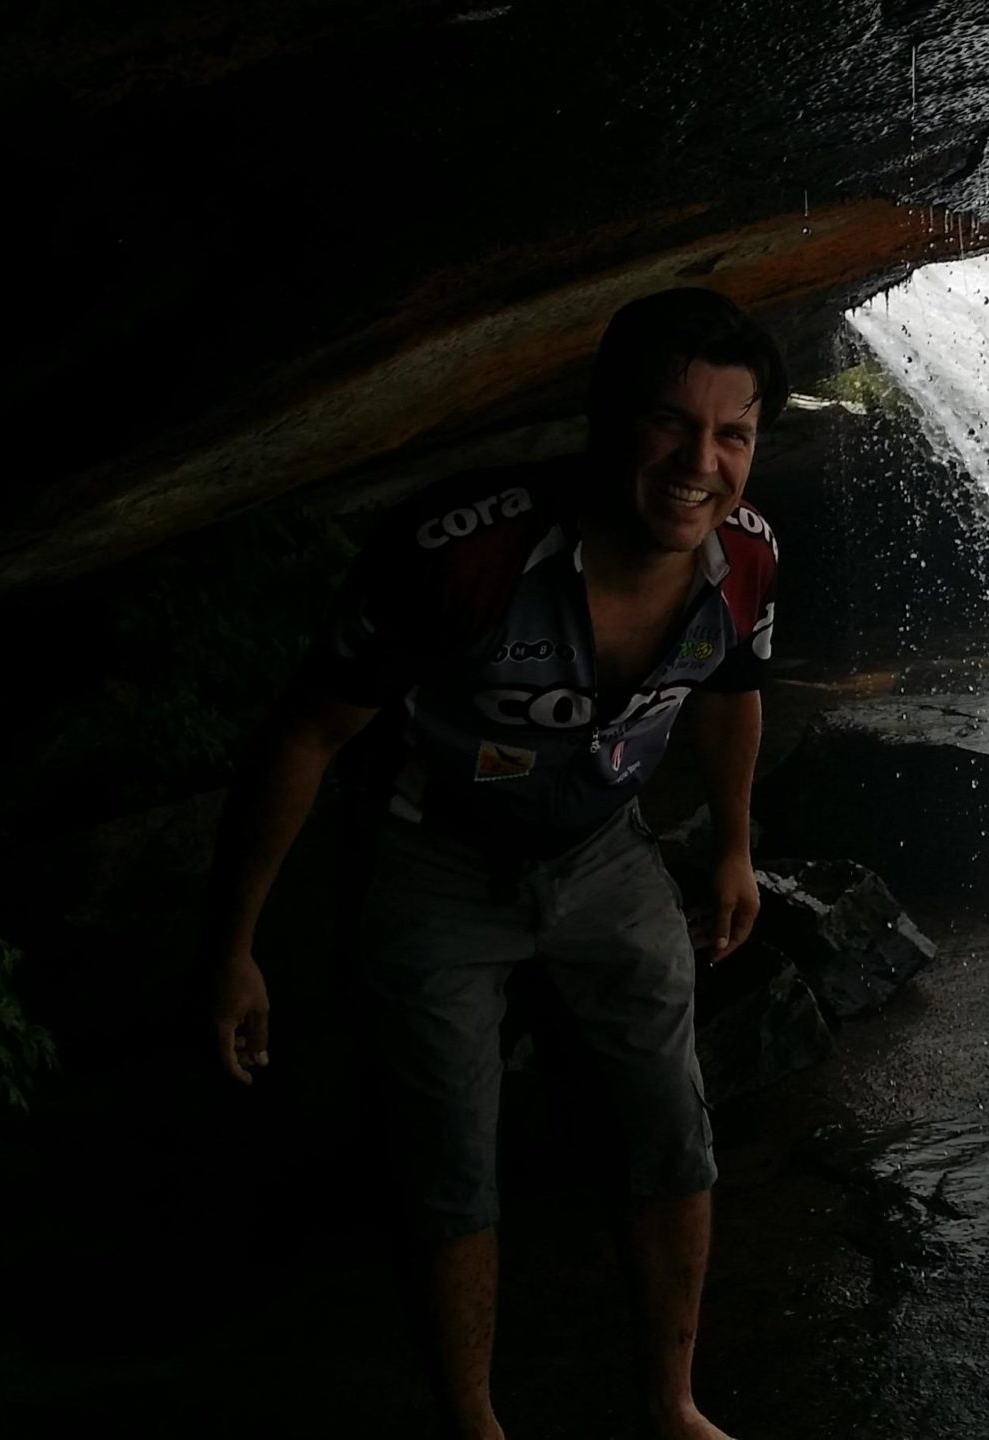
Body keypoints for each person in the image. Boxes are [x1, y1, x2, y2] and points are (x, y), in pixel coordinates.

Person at [206, 287, 788, 1440]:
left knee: (670, 1127)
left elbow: (731, 692)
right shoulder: (462, 553)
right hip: (430, 861)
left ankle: (669, 1404)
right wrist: (231, 948)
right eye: (671, 423)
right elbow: (307, 735)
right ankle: (471, 1424)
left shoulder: (749, 557)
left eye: (733, 434)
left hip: (603, 853)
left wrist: (732, 846)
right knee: (448, 1161)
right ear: (605, 416)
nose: (700, 462)